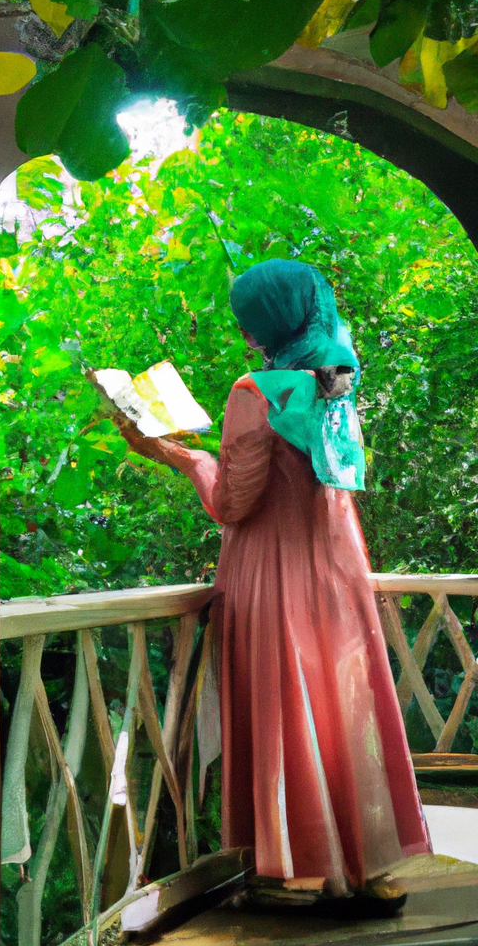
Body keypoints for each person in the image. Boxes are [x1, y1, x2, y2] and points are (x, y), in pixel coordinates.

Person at [123, 258, 430, 898]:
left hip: (272, 572)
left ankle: (291, 869)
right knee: (339, 707)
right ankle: (361, 868)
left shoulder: (254, 393)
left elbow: (234, 503)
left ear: (265, 321)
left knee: (283, 706)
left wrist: (181, 454)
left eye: (248, 320)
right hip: (337, 568)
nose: (245, 332)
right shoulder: (334, 382)